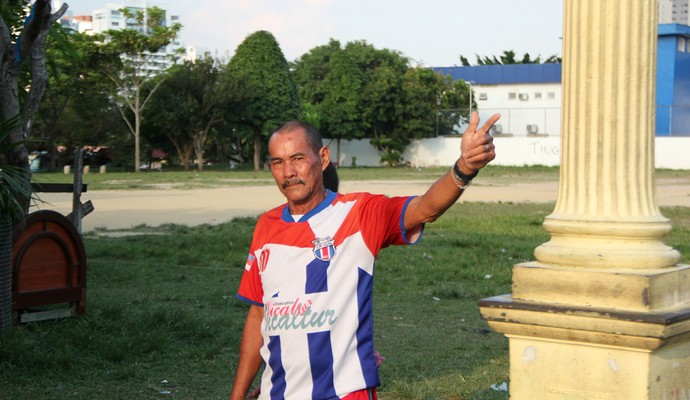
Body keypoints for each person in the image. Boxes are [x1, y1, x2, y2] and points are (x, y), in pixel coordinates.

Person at [230, 111, 499, 400]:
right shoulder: (265, 227)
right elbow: (259, 314)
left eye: (297, 158)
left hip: (345, 393)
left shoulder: (359, 213)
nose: (288, 172)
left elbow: (425, 207)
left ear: (322, 158)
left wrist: (464, 168)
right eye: (278, 163)